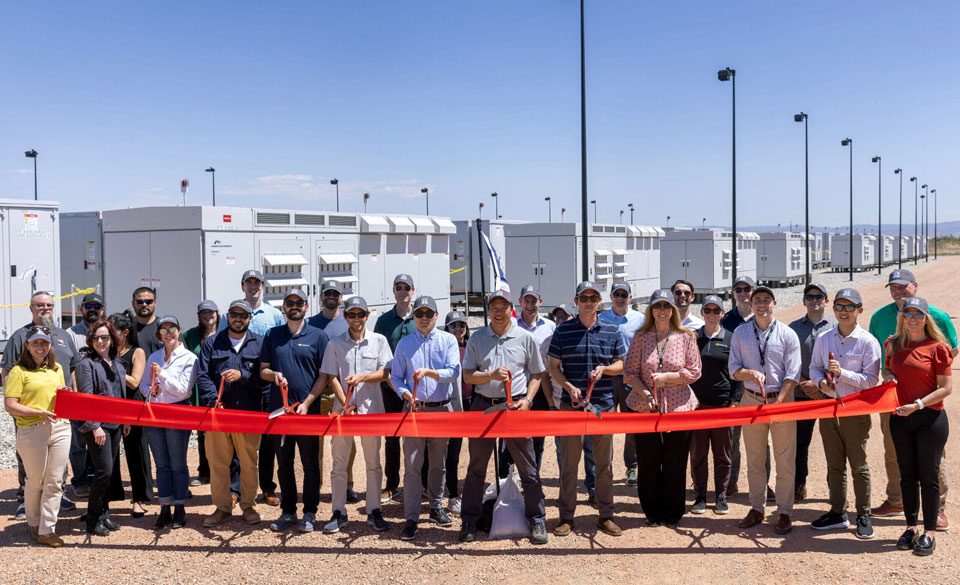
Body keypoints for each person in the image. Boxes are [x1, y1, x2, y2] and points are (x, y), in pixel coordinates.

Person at [869, 269, 957, 530]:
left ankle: (937, 508)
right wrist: (890, 377)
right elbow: (884, 357)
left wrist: (927, 380)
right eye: (893, 287)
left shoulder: (938, 316)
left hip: (928, 404)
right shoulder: (880, 319)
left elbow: (951, 350)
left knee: (933, 459)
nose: (897, 291)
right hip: (894, 403)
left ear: (915, 287)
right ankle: (896, 500)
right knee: (893, 451)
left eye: (902, 286)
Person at [459, 291, 548, 545]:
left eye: (503, 306)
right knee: (476, 467)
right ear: (489, 310)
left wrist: (529, 400)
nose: (498, 311)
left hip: (515, 408)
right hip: (483, 407)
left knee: (528, 467)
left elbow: (537, 374)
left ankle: (537, 519)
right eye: (494, 307)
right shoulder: (477, 338)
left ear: (512, 309)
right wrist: (490, 375)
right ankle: (469, 521)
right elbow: (468, 376)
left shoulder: (525, 337)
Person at [549, 281, 626, 538]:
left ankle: (605, 515)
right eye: (584, 297)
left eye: (593, 297)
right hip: (570, 407)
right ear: (576, 300)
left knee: (604, 465)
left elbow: (621, 364)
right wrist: (568, 386)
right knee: (569, 463)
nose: (589, 301)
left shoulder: (612, 330)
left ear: (599, 301)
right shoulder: (563, 331)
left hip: (602, 405)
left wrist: (605, 369)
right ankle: (566, 517)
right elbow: (553, 367)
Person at [808, 288, 881, 539]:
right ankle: (838, 512)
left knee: (858, 465)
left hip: (855, 410)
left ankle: (863, 514)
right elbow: (815, 368)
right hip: (829, 409)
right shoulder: (824, 338)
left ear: (860, 310)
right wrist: (821, 383)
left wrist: (842, 374)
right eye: (839, 306)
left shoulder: (868, 342)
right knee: (834, 465)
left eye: (850, 306)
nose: (843, 311)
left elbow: (872, 381)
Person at [624, 289, 701, 528]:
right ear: (651, 310)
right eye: (657, 306)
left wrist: (667, 377)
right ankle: (652, 511)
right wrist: (645, 392)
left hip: (679, 406)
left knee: (675, 460)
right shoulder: (641, 337)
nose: (662, 311)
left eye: (666, 306)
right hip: (645, 405)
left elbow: (695, 371)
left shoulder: (686, 336)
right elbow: (630, 373)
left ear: (673, 310)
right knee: (648, 460)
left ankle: (673, 510)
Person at [0, 292, 81, 519]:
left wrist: (74, 398)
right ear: (31, 308)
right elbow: (7, 372)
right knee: (28, 455)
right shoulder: (19, 337)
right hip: (30, 410)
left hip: (60, 410)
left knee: (58, 452)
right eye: (40, 305)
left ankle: (59, 493)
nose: (45, 308)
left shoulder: (64, 335)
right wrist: (14, 405)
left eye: (49, 305)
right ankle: (25, 499)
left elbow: (73, 369)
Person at [729, 285, 801, 535]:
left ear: (774, 304)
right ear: (750, 304)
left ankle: (784, 511)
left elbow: (793, 374)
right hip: (751, 401)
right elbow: (734, 369)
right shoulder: (740, 333)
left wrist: (779, 401)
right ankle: (757, 508)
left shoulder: (787, 334)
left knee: (784, 459)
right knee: (755, 458)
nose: (761, 304)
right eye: (757, 300)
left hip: (782, 401)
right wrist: (748, 373)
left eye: (766, 300)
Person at [319, 296, 393, 534]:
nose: (356, 319)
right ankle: (338, 512)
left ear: (366, 316)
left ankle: (374, 511)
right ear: (345, 316)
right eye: (352, 314)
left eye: (360, 314)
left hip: (371, 411)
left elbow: (385, 372)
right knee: (339, 464)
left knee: (373, 463)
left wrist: (362, 377)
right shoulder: (335, 344)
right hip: (343, 412)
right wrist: (345, 402)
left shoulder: (379, 341)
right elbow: (331, 376)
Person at [390, 295, 461, 541]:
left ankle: (435, 507)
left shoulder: (448, 340)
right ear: (414, 316)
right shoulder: (404, 344)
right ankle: (411, 517)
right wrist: (407, 394)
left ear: (436, 316)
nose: (423, 318)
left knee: (439, 463)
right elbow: (395, 377)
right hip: (414, 412)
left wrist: (429, 373)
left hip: (441, 409)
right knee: (411, 465)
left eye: (428, 314)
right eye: (419, 314)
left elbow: (454, 372)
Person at [259, 288, 330, 533]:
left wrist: (308, 403)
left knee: (311, 463)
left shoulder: (318, 336)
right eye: (290, 302)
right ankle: (288, 512)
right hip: (280, 414)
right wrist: (274, 375)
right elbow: (263, 369)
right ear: (284, 307)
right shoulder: (272, 335)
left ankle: (310, 512)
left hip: (307, 415)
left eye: (299, 302)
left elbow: (325, 376)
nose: (294, 306)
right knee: (284, 463)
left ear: (306, 307)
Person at [885, 297, 952, 556]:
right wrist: (889, 376)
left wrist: (918, 405)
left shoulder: (937, 348)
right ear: (902, 317)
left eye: (918, 314)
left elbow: (945, 388)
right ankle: (911, 527)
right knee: (907, 475)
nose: (912, 318)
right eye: (908, 313)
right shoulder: (893, 344)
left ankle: (929, 532)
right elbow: (888, 371)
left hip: (930, 419)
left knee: (929, 477)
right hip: (900, 418)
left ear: (926, 318)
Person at [197, 300, 268, 527]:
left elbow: (264, 378)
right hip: (218, 414)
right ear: (227, 316)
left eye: (244, 315)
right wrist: (213, 399)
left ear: (250, 319)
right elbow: (203, 376)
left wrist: (243, 376)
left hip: (248, 413)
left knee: (248, 462)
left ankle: (248, 506)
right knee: (218, 462)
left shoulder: (260, 343)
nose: (239, 318)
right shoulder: (212, 343)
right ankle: (222, 507)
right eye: (235, 314)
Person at [221, 269, 286, 508]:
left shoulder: (274, 314)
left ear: (262, 286)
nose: (252, 286)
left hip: (266, 382)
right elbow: (224, 342)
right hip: (241, 383)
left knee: (268, 438)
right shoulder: (230, 313)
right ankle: (235, 488)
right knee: (239, 436)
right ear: (242, 286)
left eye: (256, 282)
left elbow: (280, 343)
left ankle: (267, 487)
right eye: (248, 282)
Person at [3, 326, 71, 547]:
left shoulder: (57, 368)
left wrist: (65, 394)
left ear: (50, 345)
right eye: (35, 343)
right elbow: (10, 405)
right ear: (27, 346)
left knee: (55, 481)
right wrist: (38, 412)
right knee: (35, 481)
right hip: (32, 430)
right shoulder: (18, 371)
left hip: (60, 427)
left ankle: (46, 529)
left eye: (44, 343)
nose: (40, 347)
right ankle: (33, 522)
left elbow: (60, 394)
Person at [140, 315, 199, 530]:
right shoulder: (154, 356)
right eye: (163, 330)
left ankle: (180, 507)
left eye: (171, 328)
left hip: (177, 412)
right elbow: (144, 384)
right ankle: (165, 506)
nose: (168, 333)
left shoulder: (189, 358)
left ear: (179, 330)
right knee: (161, 464)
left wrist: (162, 376)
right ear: (159, 335)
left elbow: (184, 390)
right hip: (155, 412)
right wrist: (150, 389)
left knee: (178, 463)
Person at [688, 295, 741, 516]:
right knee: (698, 454)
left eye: (715, 310)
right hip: (697, 406)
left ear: (722, 313)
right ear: (702, 313)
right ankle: (700, 496)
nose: (711, 314)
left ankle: (720, 495)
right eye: (707, 310)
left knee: (723, 454)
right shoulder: (693, 338)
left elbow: (737, 372)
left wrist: (735, 400)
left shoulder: (731, 338)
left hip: (722, 406)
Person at [75, 319, 127, 536]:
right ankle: (93, 519)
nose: (100, 341)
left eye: (105, 337)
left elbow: (120, 395)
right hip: (98, 426)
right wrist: (95, 426)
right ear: (90, 340)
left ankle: (104, 515)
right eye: (96, 338)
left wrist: (125, 421)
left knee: (108, 471)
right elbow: (86, 398)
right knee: (103, 472)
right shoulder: (86, 364)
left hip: (115, 424)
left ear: (112, 339)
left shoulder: (118, 363)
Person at [308, 279, 358, 503]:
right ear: (321, 296)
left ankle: (346, 485)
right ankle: (315, 486)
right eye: (327, 292)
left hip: (342, 393)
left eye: (335, 293)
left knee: (346, 441)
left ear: (341, 298)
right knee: (315, 444)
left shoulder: (348, 324)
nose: (331, 296)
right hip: (318, 390)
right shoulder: (310, 324)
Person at [788, 283, 836, 503]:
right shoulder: (794, 328)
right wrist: (804, 384)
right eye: (810, 296)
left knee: (834, 443)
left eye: (819, 296)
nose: (814, 300)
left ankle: (835, 485)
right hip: (801, 392)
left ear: (826, 300)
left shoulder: (837, 325)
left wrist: (821, 386)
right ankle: (799, 484)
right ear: (804, 300)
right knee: (800, 443)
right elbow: (785, 361)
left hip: (831, 394)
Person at [547, 303, 599, 506]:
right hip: (563, 403)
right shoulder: (550, 340)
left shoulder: (584, 333)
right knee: (565, 452)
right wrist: (552, 402)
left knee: (591, 450)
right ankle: (567, 494)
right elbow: (546, 373)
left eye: (565, 316)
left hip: (591, 402)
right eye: (558, 317)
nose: (561, 320)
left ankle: (593, 488)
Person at [373, 274, 418, 503]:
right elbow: (379, 352)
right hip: (389, 387)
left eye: (406, 287)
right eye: (398, 287)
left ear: (413, 290)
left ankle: (419, 483)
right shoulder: (384, 321)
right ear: (393, 291)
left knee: (417, 437)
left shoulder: (420, 317)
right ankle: (392, 485)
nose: (403, 291)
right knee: (391, 437)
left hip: (416, 389)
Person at [183, 300, 232, 490]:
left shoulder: (225, 334)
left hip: (223, 386)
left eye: (211, 312)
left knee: (225, 432)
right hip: (199, 389)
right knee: (203, 432)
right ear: (198, 315)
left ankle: (227, 472)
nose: (207, 315)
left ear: (217, 314)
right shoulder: (189, 335)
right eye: (203, 312)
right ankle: (205, 472)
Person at [598, 281, 644, 486]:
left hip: (630, 378)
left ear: (630, 297)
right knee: (603, 425)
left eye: (624, 294)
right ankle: (603, 467)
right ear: (611, 296)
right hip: (606, 377)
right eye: (617, 294)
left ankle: (631, 467)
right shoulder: (601, 319)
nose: (620, 297)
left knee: (631, 425)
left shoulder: (640, 320)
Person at [107, 311, 153, 517]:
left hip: (132, 406)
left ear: (125, 332)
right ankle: (110, 495)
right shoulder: (105, 351)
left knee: (136, 452)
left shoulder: (137, 352)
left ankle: (139, 498)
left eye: (112, 331)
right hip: (111, 404)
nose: (107, 335)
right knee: (109, 454)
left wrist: (111, 367)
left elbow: (135, 381)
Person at [515, 285, 556, 474]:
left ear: (540, 302)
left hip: (540, 387)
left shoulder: (550, 326)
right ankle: (509, 481)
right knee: (512, 439)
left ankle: (533, 477)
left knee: (538, 438)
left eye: (534, 301)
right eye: (526, 300)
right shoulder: (511, 325)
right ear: (520, 302)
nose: (530, 305)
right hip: (517, 387)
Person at [722, 275, 756, 496]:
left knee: (760, 439)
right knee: (732, 440)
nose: (743, 293)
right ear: (733, 293)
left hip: (755, 388)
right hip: (733, 388)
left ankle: (762, 484)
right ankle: (730, 481)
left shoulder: (762, 317)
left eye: (747, 289)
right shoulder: (726, 320)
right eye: (738, 289)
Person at [443, 309, 472, 516]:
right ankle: (452, 494)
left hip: (474, 403)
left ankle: (473, 491)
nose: (458, 329)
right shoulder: (444, 347)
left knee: (477, 451)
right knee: (452, 453)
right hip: (453, 405)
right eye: (453, 325)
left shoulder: (471, 347)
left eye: (461, 325)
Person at [132, 287, 162, 357]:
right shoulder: (126, 327)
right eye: (140, 302)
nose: (144, 304)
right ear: (133, 304)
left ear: (154, 303)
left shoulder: (165, 326)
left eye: (149, 301)